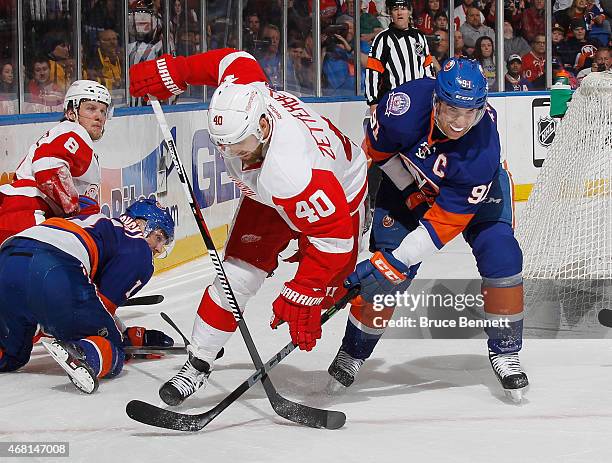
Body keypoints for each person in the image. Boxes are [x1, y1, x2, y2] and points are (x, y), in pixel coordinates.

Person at [128, 47, 368, 405]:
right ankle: (198, 363)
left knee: (329, 288)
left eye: (241, 146)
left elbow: (335, 240)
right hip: (272, 197)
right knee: (235, 277)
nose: (233, 156)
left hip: (339, 194)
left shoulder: (289, 170)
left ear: (264, 126)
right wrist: (175, 71)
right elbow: (233, 60)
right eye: (224, 147)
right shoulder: (247, 95)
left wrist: (305, 288)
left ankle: (353, 347)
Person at [327, 58, 529, 402]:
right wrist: (409, 190)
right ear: (436, 100)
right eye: (452, 110)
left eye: (471, 113)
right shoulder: (402, 107)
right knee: (388, 273)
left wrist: (397, 261)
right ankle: (353, 351)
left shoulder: (482, 149)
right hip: (407, 178)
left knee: (502, 255)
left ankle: (506, 349)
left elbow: (446, 222)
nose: (461, 122)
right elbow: (378, 152)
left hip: (468, 196)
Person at [0, 199, 175, 393]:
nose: (159, 249)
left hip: (8, 257)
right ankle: (83, 355)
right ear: (142, 223)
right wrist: (123, 339)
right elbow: (102, 308)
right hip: (54, 267)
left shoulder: (97, 222)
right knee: (112, 347)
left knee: (12, 354)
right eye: (159, 237)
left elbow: (92, 306)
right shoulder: (139, 248)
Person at [0, 80, 111, 244]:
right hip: (29, 216)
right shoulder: (74, 130)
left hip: (20, 216)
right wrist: (72, 210)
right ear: (71, 112)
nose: (99, 117)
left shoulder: (70, 136)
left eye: (103, 111)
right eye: (91, 108)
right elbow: (48, 166)